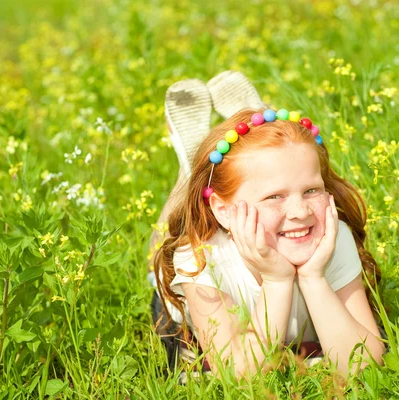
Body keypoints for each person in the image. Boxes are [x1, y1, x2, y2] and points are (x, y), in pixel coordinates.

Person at [149, 71, 385, 378]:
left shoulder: (331, 235)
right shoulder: (200, 257)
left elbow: (366, 365)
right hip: (192, 262)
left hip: (232, 205)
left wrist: (313, 277)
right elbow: (236, 373)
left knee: (276, 166)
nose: (300, 212)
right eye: (275, 196)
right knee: (169, 235)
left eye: (311, 190)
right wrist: (277, 282)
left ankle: (254, 139)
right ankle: (191, 167)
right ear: (224, 211)